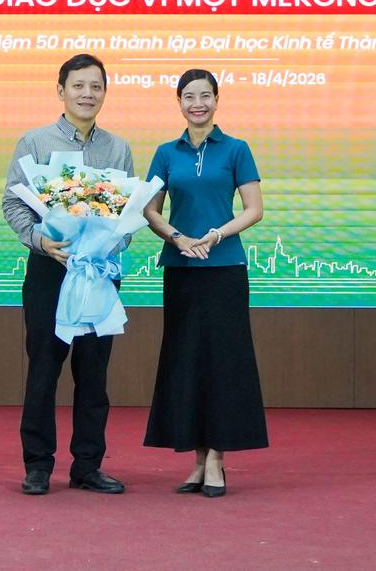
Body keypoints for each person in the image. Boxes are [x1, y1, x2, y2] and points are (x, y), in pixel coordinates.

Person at [1, 53, 135, 496]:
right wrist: (41, 240)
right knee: (44, 368)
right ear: (61, 91)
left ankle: (88, 466)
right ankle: (38, 464)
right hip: (50, 269)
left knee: (94, 373)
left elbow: (128, 213)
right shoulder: (35, 142)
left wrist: (112, 243)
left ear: (104, 93)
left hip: (97, 273)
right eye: (78, 85)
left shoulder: (118, 148)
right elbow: (13, 203)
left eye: (96, 86)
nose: (87, 94)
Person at [142, 68, 267, 498]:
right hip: (180, 269)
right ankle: (197, 460)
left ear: (217, 100)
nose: (198, 103)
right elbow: (150, 210)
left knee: (223, 364)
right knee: (186, 362)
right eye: (189, 96)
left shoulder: (236, 149)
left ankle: (216, 458)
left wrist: (216, 235)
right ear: (179, 102)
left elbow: (254, 209)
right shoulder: (165, 152)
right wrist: (177, 238)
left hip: (225, 268)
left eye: (205, 95)